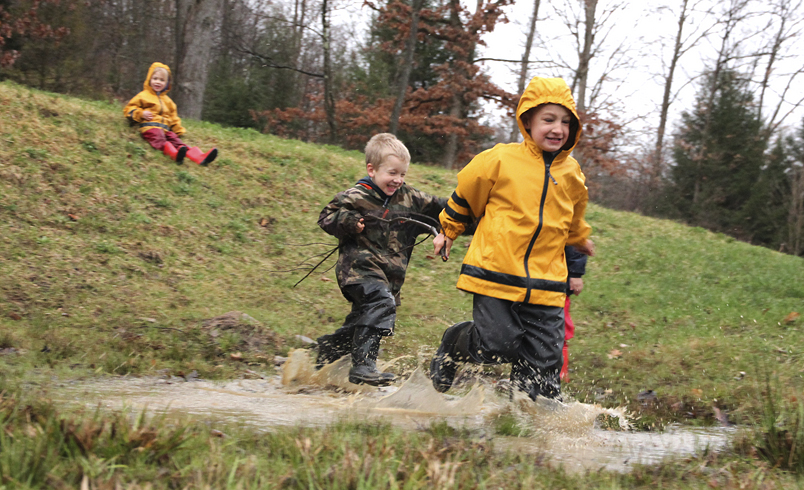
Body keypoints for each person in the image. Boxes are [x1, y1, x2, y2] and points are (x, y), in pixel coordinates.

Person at [429, 76, 595, 401]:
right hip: (496, 272)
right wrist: (449, 230)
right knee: (496, 345)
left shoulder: (572, 173)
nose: (557, 129)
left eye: (565, 122)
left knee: (543, 363)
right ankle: (454, 342)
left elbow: (571, 218)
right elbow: (466, 193)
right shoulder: (500, 159)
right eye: (548, 120)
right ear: (528, 120)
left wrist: (579, 240)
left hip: (547, 282)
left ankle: (527, 419)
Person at [315, 133, 447, 386]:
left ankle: (325, 354)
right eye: (392, 173)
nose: (398, 180)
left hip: (390, 277)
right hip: (358, 271)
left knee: (359, 325)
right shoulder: (356, 196)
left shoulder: (410, 198)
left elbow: (443, 209)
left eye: (403, 174)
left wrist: (475, 209)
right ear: (371, 169)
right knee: (379, 302)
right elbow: (326, 216)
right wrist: (350, 221)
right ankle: (363, 366)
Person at [124, 62, 217, 166]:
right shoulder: (142, 96)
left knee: (176, 141)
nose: (158, 82)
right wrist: (141, 113)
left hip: (165, 129)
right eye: (155, 78)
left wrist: (178, 130)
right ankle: (173, 154)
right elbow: (129, 108)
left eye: (162, 80)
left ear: (167, 83)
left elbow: (173, 117)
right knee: (159, 139)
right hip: (150, 127)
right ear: (149, 79)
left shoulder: (169, 102)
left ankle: (200, 157)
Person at [561, 245, 587, 383]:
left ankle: (561, 375)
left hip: (556, 286)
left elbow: (575, 237)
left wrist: (576, 273)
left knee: (559, 332)